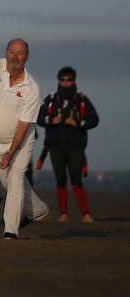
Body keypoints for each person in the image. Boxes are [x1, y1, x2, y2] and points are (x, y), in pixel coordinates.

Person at [0, 39, 50, 239]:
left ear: (27, 56)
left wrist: (11, 153)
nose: (15, 56)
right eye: (12, 52)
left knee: (16, 179)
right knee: (9, 184)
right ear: (6, 53)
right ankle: (38, 209)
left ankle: (10, 230)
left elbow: (24, 125)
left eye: (20, 53)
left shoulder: (31, 87)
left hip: (21, 141)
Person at [36, 66, 99, 223]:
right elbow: (37, 117)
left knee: (76, 179)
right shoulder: (51, 99)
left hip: (75, 147)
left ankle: (85, 214)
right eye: (63, 79)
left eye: (69, 79)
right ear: (59, 80)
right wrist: (51, 120)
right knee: (60, 179)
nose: (66, 82)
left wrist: (77, 122)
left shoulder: (81, 100)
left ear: (74, 80)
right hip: (55, 146)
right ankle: (63, 215)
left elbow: (94, 120)